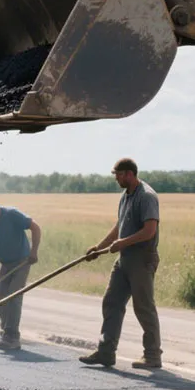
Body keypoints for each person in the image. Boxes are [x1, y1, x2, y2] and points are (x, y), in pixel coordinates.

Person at [79, 158, 163, 370]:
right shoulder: (125, 196)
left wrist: (122, 243)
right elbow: (120, 226)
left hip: (142, 258)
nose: (115, 177)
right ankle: (106, 352)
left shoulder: (146, 196)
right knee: (112, 302)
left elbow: (149, 231)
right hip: (124, 258)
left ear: (129, 174)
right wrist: (98, 248)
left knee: (143, 307)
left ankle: (152, 356)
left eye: (118, 174)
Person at [0, 195, 41, 350]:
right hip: (6, 264)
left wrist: (34, 252)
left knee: (14, 295)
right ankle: (6, 330)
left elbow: (35, 228)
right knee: (1, 295)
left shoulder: (12, 214)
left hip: (22, 261)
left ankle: (12, 336)